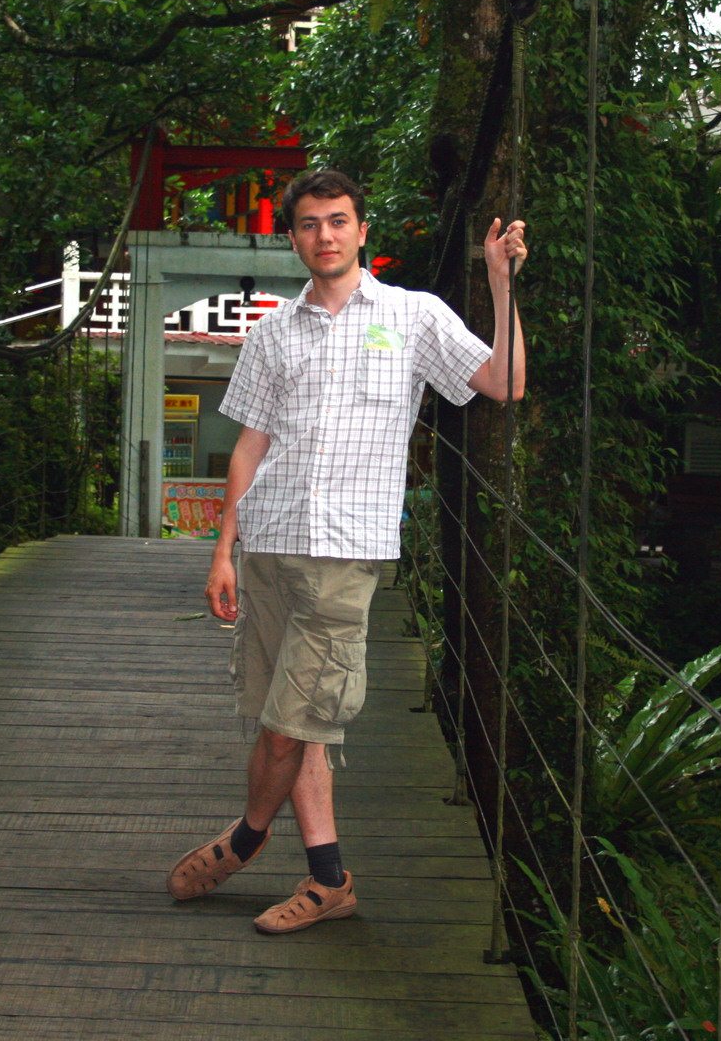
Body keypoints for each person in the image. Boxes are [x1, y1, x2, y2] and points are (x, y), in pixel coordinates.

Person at [166, 168, 528, 934]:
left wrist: (500, 285)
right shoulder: (273, 333)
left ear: (362, 231)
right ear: (293, 238)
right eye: (308, 223)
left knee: (290, 721)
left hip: (344, 552)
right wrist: (223, 550)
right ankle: (329, 880)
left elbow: (504, 383)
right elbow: (249, 446)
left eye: (337, 220)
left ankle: (246, 838)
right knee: (296, 720)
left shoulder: (413, 316)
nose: (324, 235)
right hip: (269, 545)